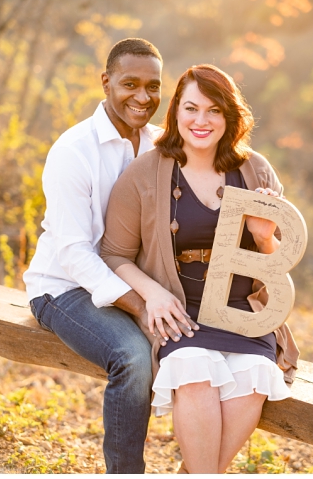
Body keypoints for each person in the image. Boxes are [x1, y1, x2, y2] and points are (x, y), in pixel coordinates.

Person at [101, 64, 298, 474]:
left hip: (244, 315)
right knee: (193, 370)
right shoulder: (143, 174)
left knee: (256, 376)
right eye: (191, 108)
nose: (201, 121)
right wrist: (152, 294)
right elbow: (114, 254)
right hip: (180, 315)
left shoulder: (255, 170)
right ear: (174, 113)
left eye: (214, 110)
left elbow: (278, 259)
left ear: (230, 116)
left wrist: (263, 236)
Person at [22, 38, 193, 474]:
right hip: (64, 287)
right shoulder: (73, 151)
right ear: (106, 83)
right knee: (134, 357)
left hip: (138, 279)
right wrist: (140, 308)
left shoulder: (163, 145)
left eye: (153, 87)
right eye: (129, 84)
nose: (143, 97)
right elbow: (76, 253)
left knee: (207, 343)